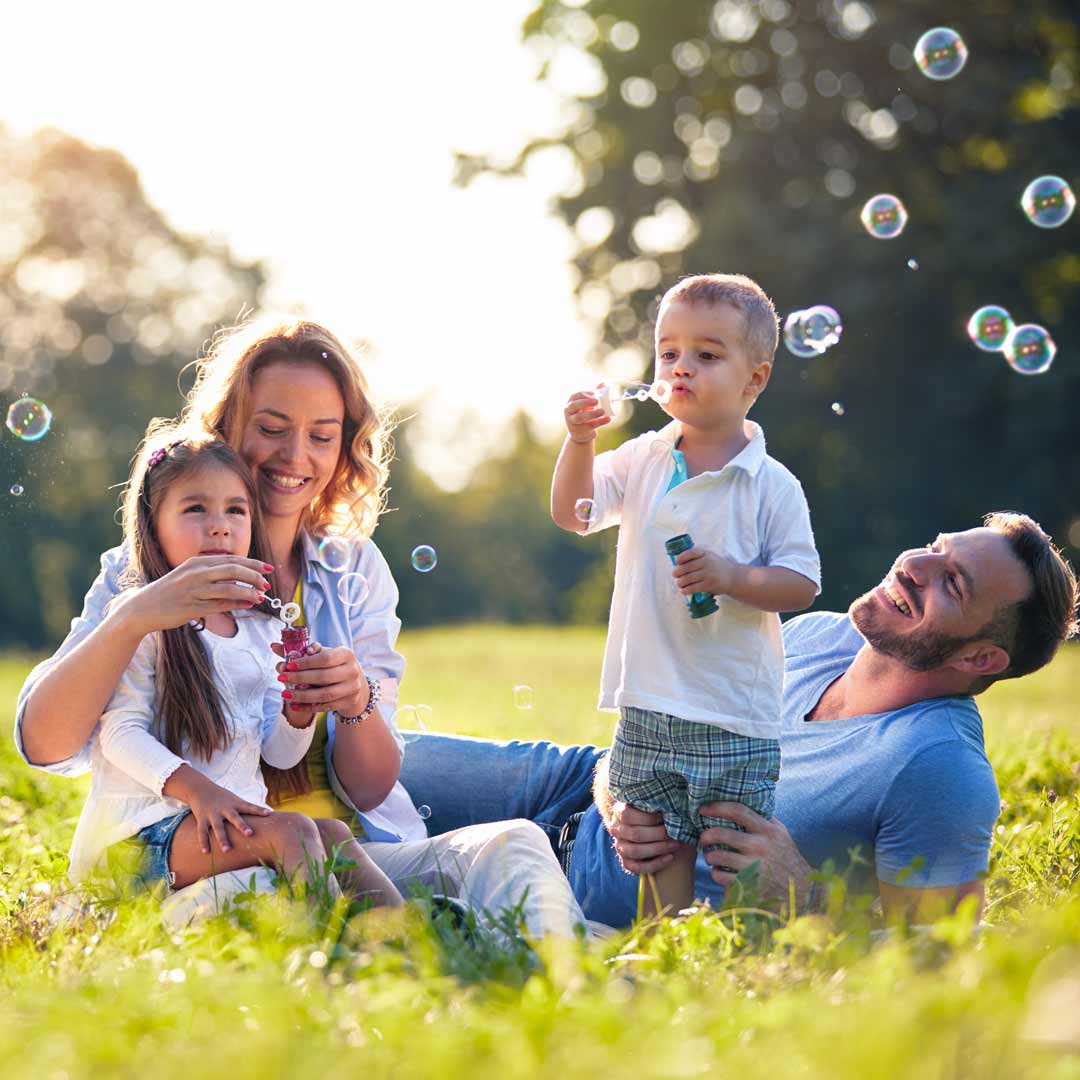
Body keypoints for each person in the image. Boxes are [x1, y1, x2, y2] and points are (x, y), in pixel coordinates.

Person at [15, 316, 585, 939]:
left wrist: (351, 702)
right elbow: (45, 744)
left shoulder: (353, 569)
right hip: (205, 860)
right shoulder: (149, 570)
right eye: (271, 428)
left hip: (347, 852)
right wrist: (133, 616)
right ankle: (408, 956)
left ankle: (573, 983)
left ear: (345, 446)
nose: (295, 457)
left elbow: (365, 789)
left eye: (322, 435)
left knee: (514, 845)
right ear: (226, 428)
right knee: (277, 907)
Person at [396, 512, 1078, 927]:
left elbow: (937, 963)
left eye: (951, 582)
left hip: (597, 890)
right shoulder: (815, 635)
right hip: (573, 785)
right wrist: (616, 784)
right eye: (935, 547)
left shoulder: (940, 768)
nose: (914, 565)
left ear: (981, 656)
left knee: (348, 864)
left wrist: (807, 897)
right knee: (353, 756)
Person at [551, 273, 820, 914]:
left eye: (706, 354)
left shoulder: (770, 485)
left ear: (754, 380)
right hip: (648, 695)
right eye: (668, 353)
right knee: (656, 843)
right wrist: (580, 441)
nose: (681, 368)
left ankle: (749, 950)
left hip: (733, 708)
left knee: (733, 848)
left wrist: (732, 577)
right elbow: (574, 511)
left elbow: (801, 584)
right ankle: (666, 949)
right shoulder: (645, 457)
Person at [70, 431, 402, 908]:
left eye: (236, 510)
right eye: (196, 509)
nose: (220, 526)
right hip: (139, 837)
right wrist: (202, 793)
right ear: (153, 524)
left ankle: (408, 941)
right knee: (291, 831)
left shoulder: (256, 628)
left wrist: (297, 714)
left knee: (331, 834)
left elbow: (280, 756)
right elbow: (118, 733)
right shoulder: (142, 617)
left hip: (222, 824)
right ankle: (335, 950)